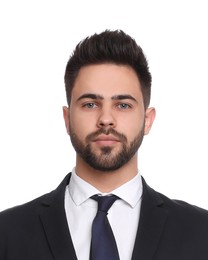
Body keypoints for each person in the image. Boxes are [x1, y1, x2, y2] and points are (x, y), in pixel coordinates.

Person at [0, 30, 208, 260]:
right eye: (90, 104)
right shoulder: (7, 232)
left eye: (123, 105)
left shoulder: (201, 232)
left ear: (147, 120)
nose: (106, 119)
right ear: (67, 119)